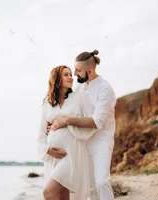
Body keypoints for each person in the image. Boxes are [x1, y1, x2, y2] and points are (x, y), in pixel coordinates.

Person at [50, 50, 116, 200]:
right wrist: (55, 124)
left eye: (78, 70)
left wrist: (66, 121)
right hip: (82, 141)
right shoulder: (80, 88)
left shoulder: (105, 89)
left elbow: (96, 122)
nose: (74, 74)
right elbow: (70, 111)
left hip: (101, 140)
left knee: (101, 182)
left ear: (90, 70)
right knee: (90, 187)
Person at [38, 65, 98, 200]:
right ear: (57, 78)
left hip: (72, 153)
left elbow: (92, 122)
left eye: (71, 74)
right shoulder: (48, 102)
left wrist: (67, 121)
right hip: (55, 156)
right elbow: (41, 132)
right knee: (61, 196)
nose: (71, 77)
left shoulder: (80, 97)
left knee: (48, 193)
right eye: (66, 74)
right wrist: (48, 150)